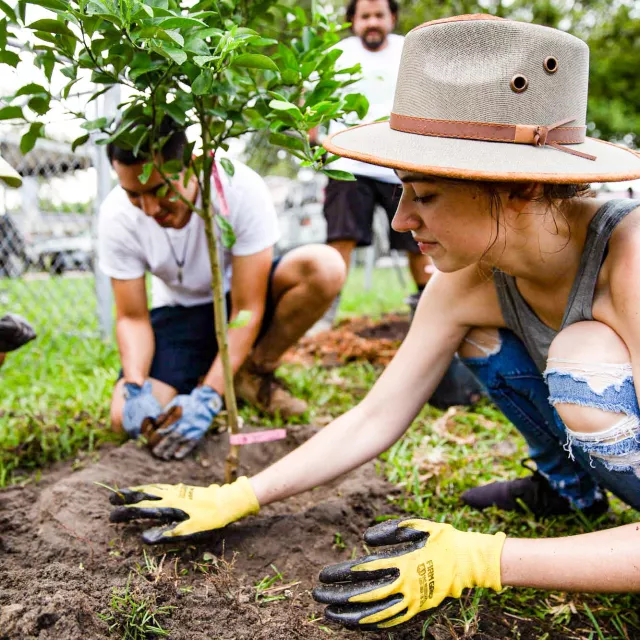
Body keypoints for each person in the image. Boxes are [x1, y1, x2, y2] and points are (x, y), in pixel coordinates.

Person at [108, 15, 640, 629]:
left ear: (518, 185)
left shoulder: (626, 260)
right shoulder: (469, 278)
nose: (399, 220)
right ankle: (566, 487)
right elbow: (376, 415)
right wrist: (240, 495)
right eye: (401, 192)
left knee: (584, 355)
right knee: (497, 334)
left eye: (426, 195)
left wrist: (483, 558)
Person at [99, 117, 346, 459]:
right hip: (180, 315)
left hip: (240, 303)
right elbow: (132, 317)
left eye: (159, 190)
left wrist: (210, 395)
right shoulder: (116, 216)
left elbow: (247, 309)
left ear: (193, 164)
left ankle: (251, 372)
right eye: (133, 195)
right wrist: (136, 386)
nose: (149, 209)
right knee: (123, 420)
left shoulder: (238, 187)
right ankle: (204, 372)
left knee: (325, 266)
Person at [318, 0, 432, 313]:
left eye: (378, 16)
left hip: (400, 164)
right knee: (341, 239)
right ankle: (324, 319)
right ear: (352, 20)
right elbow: (313, 101)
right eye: (364, 16)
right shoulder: (337, 54)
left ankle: (426, 311)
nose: (372, 23)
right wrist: (316, 142)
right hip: (347, 164)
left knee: (419, 238)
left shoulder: (409, 51)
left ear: (392, 17)